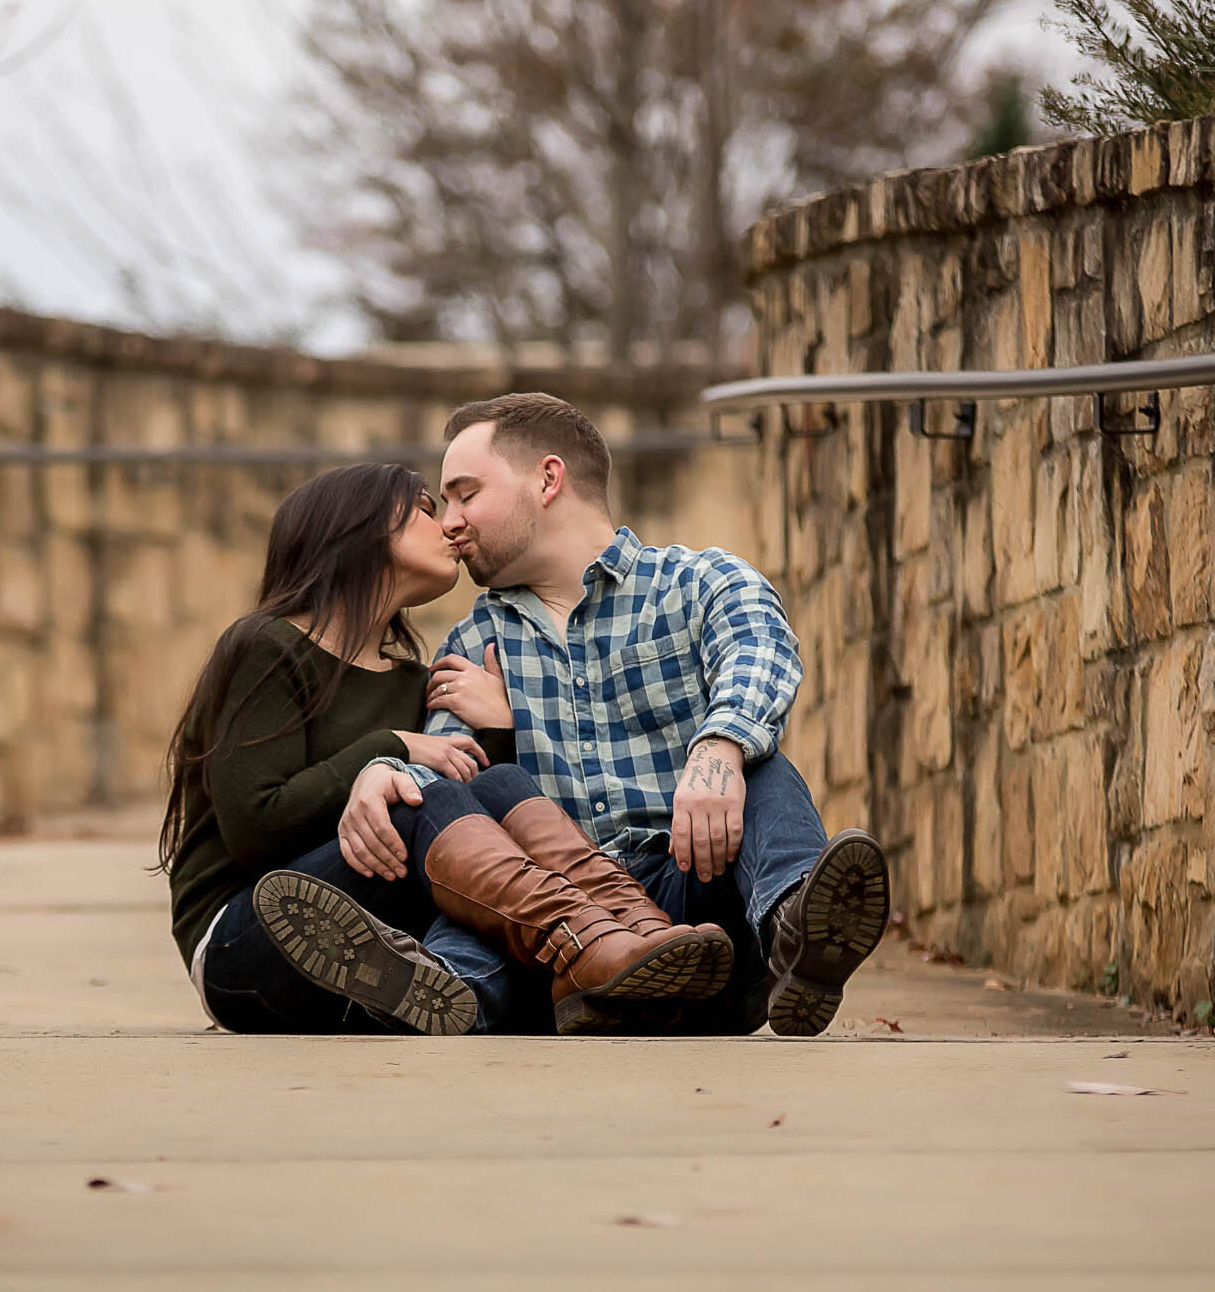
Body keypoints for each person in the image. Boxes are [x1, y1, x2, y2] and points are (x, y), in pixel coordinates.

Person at [334, 393, 892, 1037]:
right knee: (488, 831)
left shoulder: (696, 581)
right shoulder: (474, 644)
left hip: (702, 918)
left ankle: (798, 931)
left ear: (548, 479)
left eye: (464, 494)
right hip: (566, 936)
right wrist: (388, 768)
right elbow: (447, 780)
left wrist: (719, 746)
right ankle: (448, 989)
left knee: (758, 764)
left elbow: (758, 649)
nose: (450, 522)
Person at [159, 462, 728, 1037]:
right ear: (359, 528)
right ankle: (589, 940)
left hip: (380, 950)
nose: (451, 528)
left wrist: (502, 727)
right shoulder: (268, 645)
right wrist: (391, 748)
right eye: (427, 510)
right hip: (250, 942)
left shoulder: (415, 683)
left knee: (492, 787)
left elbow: (482, 829)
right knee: (418, 799)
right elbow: (255, 827)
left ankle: (637, 931)